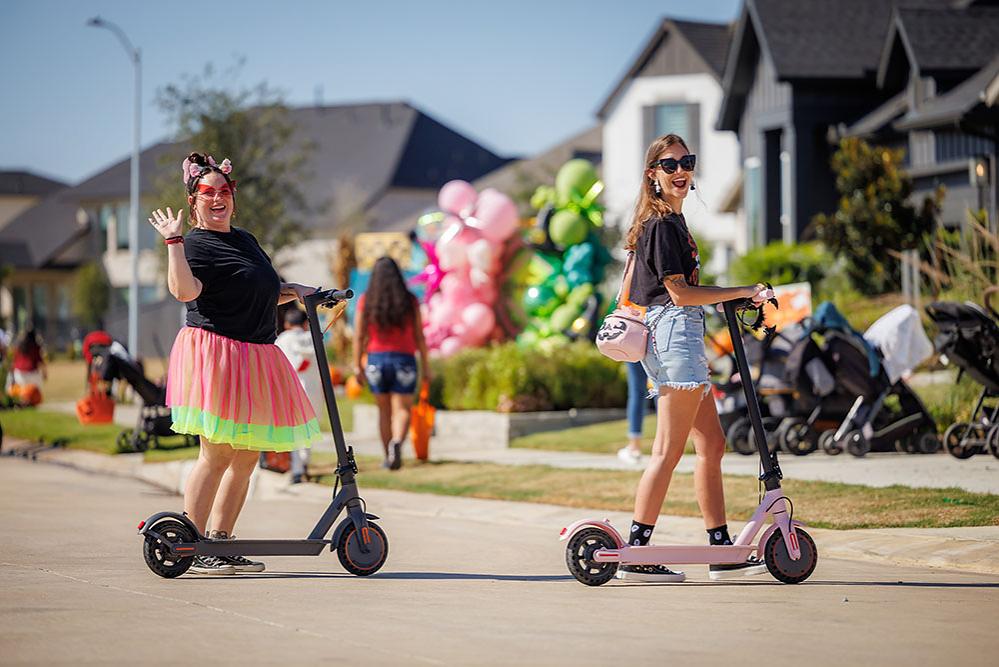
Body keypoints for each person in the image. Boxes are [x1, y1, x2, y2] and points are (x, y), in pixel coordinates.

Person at [149, 152, 322, 575]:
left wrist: (294, 290)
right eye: (208, 193)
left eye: (224, 191)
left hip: (256, 353)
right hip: (218, 353)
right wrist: (173, 242)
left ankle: (221, 542)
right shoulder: (194, 243)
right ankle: (191, 543)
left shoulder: (245, 240)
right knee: (217, 452)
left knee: (246, 456)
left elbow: (258, 290)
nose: (217, 198)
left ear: (233, 197)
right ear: (193, 201)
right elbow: (185, 291)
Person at [618, 133, 769, 583]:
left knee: (713, 445)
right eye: (670, 165)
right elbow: (680, 294)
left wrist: (730, 296)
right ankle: (636, 553)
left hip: (681, 337)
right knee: (667, 452)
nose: (681, 171)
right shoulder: (663, 225)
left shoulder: (671, 222)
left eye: (687, 162)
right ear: (653, 174)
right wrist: (742, 290)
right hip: (674, 338)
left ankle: (721, 550)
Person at [353, 256, 430, 470]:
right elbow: (419, 336)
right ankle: (396, 443)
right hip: (404, 359)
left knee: (384, 411)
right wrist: (426, 367)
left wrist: (357, 366)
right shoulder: (409, 300)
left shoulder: (367, 300)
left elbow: (359, 335)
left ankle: (388, 455)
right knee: (403, 409)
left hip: (376, 360)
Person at [274, 307, 323, 484]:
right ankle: (303, 463)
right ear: (304, 323)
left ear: (287, 324)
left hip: (290, 391)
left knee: (294, 430)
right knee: (308, 430)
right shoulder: (313, 338)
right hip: (312, 391)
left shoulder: (282, 339)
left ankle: (296, 469)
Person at [618, 361, 651, 465]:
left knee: (637, 392)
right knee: (660, 390)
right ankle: (665, 445)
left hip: (636, 352)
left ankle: (634, 447)